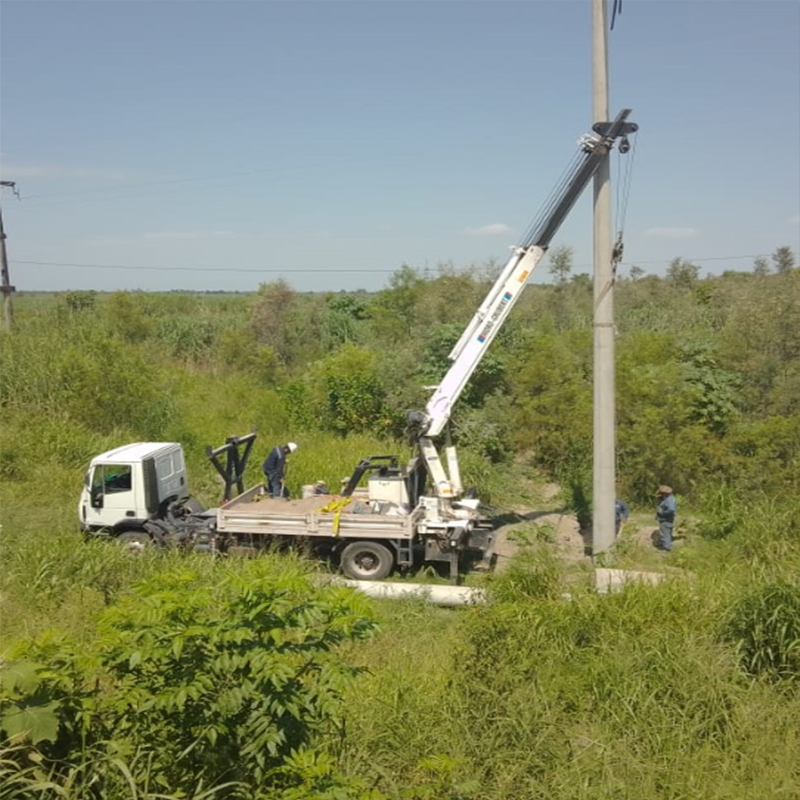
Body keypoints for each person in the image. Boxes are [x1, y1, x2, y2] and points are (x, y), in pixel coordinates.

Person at [655, 485, 677, 551]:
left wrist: (662, 512)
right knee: (667, 532)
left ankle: (666, 548)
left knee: (665, 533)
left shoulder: (669, 500)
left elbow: (671, 510)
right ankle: (666, 545)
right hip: (666, 519)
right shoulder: (669, 499)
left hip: (666, 519)